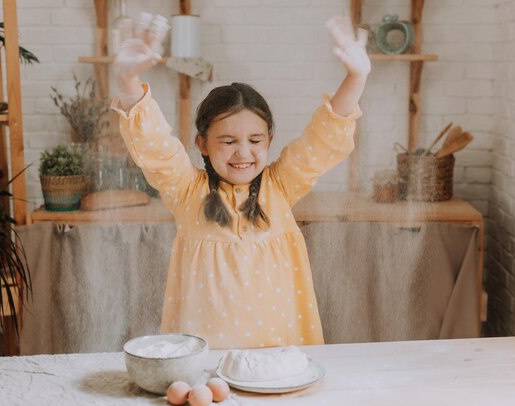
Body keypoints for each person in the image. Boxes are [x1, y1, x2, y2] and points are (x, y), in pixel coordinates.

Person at [111, 16, 371, 349]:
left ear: (269, 141)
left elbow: (322, 138)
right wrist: (127, 78)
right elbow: (155, 146)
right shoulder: (188, 191)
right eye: (228, 140)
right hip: (206, 359)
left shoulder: (281, 186)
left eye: (255, 140)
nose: (242, 153)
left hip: (277, 354)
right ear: (202, 143)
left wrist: (356, 76)